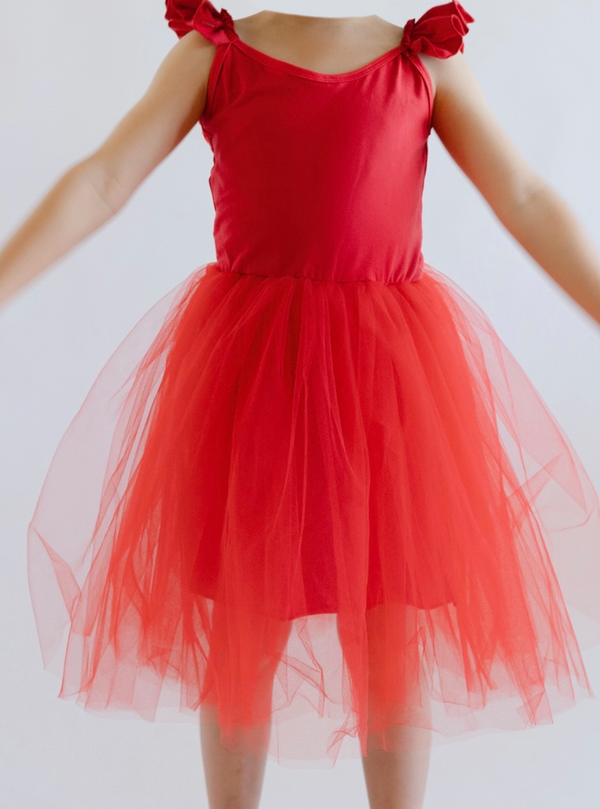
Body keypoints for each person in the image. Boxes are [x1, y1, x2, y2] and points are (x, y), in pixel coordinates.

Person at [3, 3, 600, 808]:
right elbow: (107, 176)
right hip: (253, 381)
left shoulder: (422, 61)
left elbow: (524, 194)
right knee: (244, 627)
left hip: (390, 387)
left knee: (389, 632)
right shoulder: (215, 53)